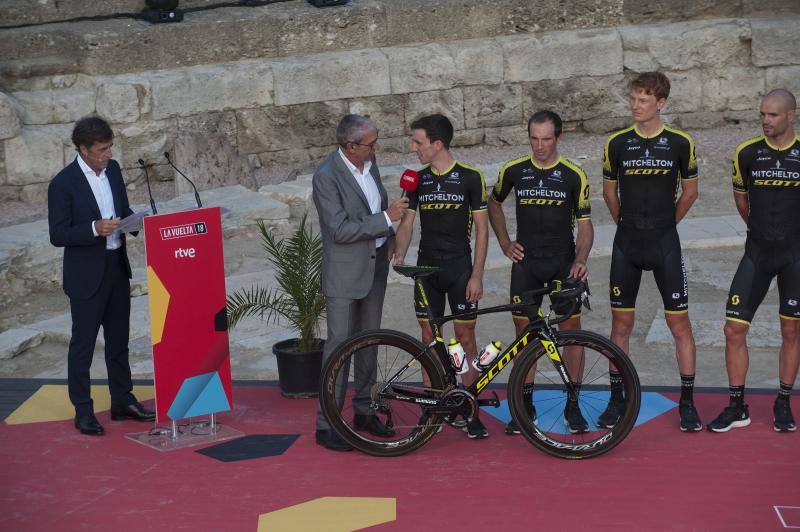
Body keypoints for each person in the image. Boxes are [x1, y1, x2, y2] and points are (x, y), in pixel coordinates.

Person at [602, 71, 702, 432]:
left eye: (643, 100)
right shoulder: (616, 143)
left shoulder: (680, 143)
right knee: (621, 325)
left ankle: (687, 403)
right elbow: (609, 193)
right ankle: (617, 399)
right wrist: (625, 224)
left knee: (679, 324)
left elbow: (690, 193)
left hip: (664, 243)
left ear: (660, 103)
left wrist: (665, 225)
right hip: (627, 243)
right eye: (633, 99)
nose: (635, 105)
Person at [488, 110, 594, 435]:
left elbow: (586, 226)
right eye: (534, 139)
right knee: (525, 336)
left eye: (546, 139)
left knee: (571, 333)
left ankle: (573, 404)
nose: (539, 146)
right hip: (527, 263)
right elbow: (493, 204)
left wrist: (581, 257)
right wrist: (506, 242)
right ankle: (526, 404)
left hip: (563, 262)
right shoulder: (514, 170)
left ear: (558, 137)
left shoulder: (574, 174)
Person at [47, 116, 155, 436]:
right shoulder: (63, 183)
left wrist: (135, 222)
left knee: (119, 340)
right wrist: (94, 228)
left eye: (109, 147)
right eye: (101, 149)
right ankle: (83, 409)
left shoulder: (115, 169)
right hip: (86, 274)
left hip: (116, 266)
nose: (107, 154)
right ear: (82, 149)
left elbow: (121, 208)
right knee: (83, 344)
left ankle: (122, 400)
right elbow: (58, 234)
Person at [312, 114, 409, 451]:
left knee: (369, 342)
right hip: (344, 274)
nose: (375, 148)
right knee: (339, 347)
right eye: (370, 143)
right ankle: (328, 424)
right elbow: (338, 230)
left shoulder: (369, 162)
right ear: (350, 146)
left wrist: (391, 233)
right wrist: (386, 219)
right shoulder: (326, 177)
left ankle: (364, 411)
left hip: (374, 267)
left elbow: (378, 203)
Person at [392, 114, 490, 439]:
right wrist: (400, 253)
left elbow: (482, 231)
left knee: (465, 341)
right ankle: (431, 406)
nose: (413, 147)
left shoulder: (470, 177)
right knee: (429, 341)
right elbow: (407, 223)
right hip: (426, 270)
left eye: (418, 142)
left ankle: (470, 405)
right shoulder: (416, 179)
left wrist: (477, 275)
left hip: (460, 269)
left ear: (437, 144)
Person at [708, 89, 800, 433]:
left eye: (773, 115)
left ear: (790, 115)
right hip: (758, 252)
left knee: (791, 329)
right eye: (762, 113)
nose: (765, 120)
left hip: (795, 255)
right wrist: (762, 231)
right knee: (733, 328)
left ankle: (783, 400)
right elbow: (741, 200)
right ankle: (737, 405)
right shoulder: (746, 153)